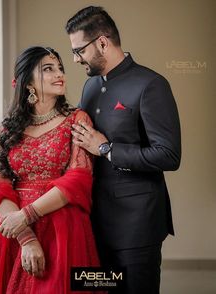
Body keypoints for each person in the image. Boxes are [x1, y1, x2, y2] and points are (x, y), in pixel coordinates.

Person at [65, 6, 181, 294]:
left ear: (102, 42)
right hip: (94, 224)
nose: (76, 59)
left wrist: (105, 148)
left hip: (137, 227)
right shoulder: (90, 86)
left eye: (79, 50)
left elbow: (168, 154)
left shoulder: (151, 84)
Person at [0, 46, 101, 294]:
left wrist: (26, 215)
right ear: (27, 82)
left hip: (62, 228)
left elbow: (77, 179)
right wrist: (25, 236)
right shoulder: (6, 131)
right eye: (48, 69)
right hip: (15, 231)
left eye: (60, 68)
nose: (60, 74)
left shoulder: (77, 120)